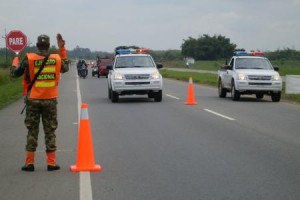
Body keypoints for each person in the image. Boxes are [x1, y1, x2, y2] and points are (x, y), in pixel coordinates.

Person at [10, 33, 69, 172]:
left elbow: (14, 74)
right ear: (48, 46)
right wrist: (62, 49)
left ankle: (29, 163)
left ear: (37, 45)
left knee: (32, 130)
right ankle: (52, 163)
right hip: (50, 100)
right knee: (50, 130)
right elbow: (66, 68)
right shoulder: (56, 58)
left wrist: (14, 61)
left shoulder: (29, 58)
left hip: (33, 101)